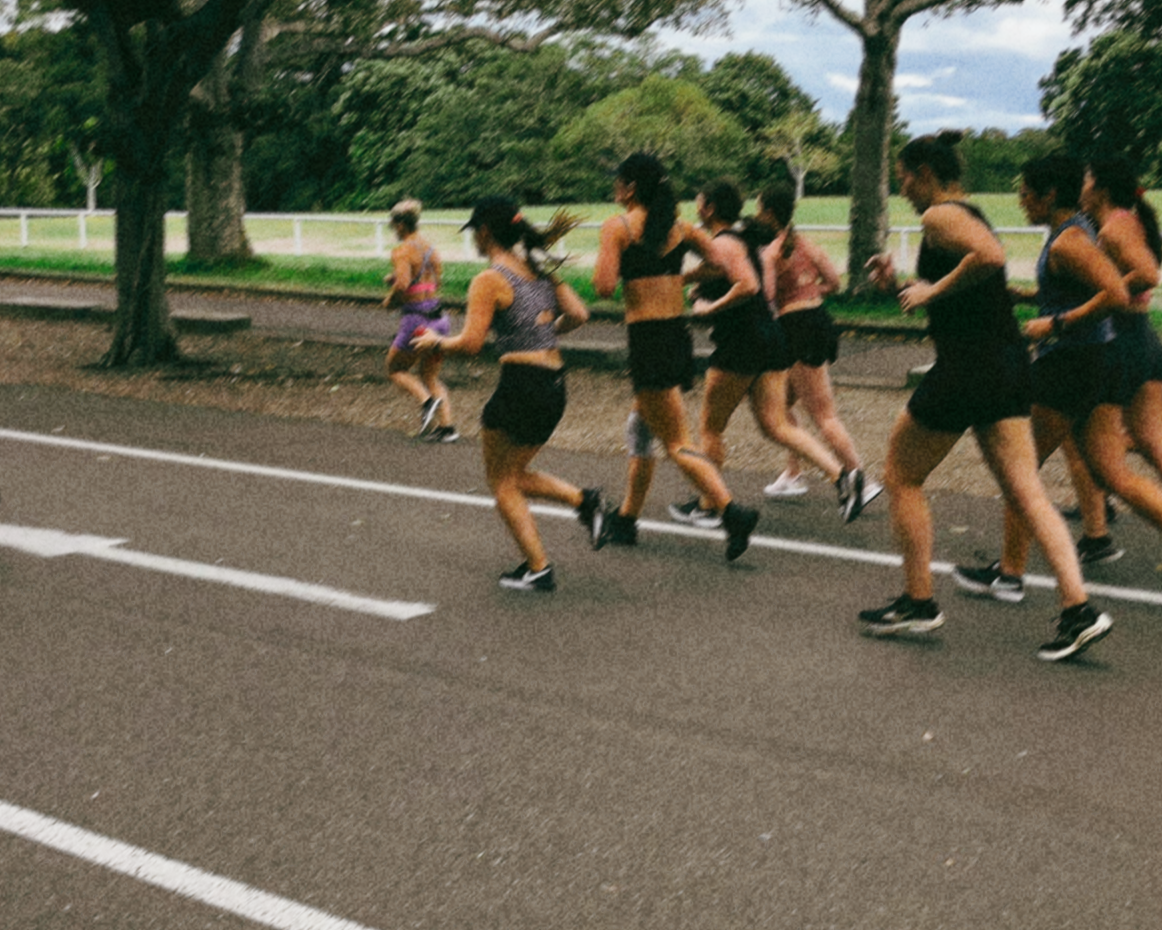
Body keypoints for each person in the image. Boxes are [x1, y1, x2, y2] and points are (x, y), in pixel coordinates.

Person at [860, 134, 1111, 662]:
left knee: (901, 476)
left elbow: (990, 257)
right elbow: (964, 288)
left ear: (924, 172)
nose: (902, 188)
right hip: (1006, 365)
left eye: (904, 176)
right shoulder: (965, 214)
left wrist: (930, 289)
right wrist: (900, 285)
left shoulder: (940, 216)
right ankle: (1079, 610)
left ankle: (918, 602)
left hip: (968, 368)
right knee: (1026, 491)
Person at [957, 155, 1162, 608]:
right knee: (1113, 474)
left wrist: (1057, 324)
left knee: (1020, 470)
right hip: (1097, 361)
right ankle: (1020, 568)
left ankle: (1009, 576)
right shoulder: (1080, 232)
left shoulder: (1071, 239)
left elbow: (1113, 290)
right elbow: (1092, 286)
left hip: (1069, 363)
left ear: (1049, 194)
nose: (1020, 200)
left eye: (1025, 192)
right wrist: (1033, 297)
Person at [412, 195, 605, 591]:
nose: (475, 242)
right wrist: (543, 335)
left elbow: (470, 342)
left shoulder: (489, 279)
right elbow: (580, 314)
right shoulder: (539, 269)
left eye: (475, 234)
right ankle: (584, 502)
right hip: (554, 384)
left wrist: (435, 341)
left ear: (485, 231)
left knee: (501, 481)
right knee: (514, 474)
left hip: (521, 385)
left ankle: (540, 567)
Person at [667, 178, 869, 528]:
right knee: (775, 425)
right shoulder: (744, 239)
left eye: (698, 201)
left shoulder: (725, 241)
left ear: (710, 208)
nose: (695, 207)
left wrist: (708, 307)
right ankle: (844, 478)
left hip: (741, 343)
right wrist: (689, 283)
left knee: (711, 427)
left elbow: (747, 284)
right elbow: (722, 269)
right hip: (771, 339)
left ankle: (710, 505)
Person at [593, 153, 759, 561]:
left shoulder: (618, 227)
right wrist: (678, 276)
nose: (614, 187)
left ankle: (730, 512)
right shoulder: (679, 227)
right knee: (640, 428)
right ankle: (627, 518)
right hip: (676, 335)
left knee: (677, 442)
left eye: (618, 181)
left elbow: (601, 287)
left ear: (630, 188)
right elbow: (721, 264)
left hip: (647, 338)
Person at [756, 182, 882, 509]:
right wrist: (808, 291)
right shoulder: (806, 245)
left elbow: (767, 297)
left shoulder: (770, 253)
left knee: (824, 416)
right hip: (818, 321)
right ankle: (792, 474)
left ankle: (861, 480)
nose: (757, 215)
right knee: (779, 406)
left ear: (768, 213)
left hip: (796, 329)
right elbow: (834, 283)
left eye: (759, 210)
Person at [1061, 156, 1162, 560]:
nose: (1081, 186)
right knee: (1152, 443)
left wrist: (1102, 294)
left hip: (1121, 340)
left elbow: (1148, 273)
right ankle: (1095, 532)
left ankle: (1096, 531)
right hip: (1144, 340)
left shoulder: (1115, 225)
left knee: (1105, 464)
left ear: (1100, 187)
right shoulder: (1127, 218)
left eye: (1086, 179)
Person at [382, 199, 458, 442]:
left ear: (401, 225)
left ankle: (427, 403)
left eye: (393, 225)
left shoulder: (402, 250)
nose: (393, 230)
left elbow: (404, 285)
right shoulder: (430, 249)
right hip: (439, 319)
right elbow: (434, 282)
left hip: (416, 321)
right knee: (430, 376)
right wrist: (395, 277)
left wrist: (390, 300)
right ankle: (447, 429)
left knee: (395, 368)